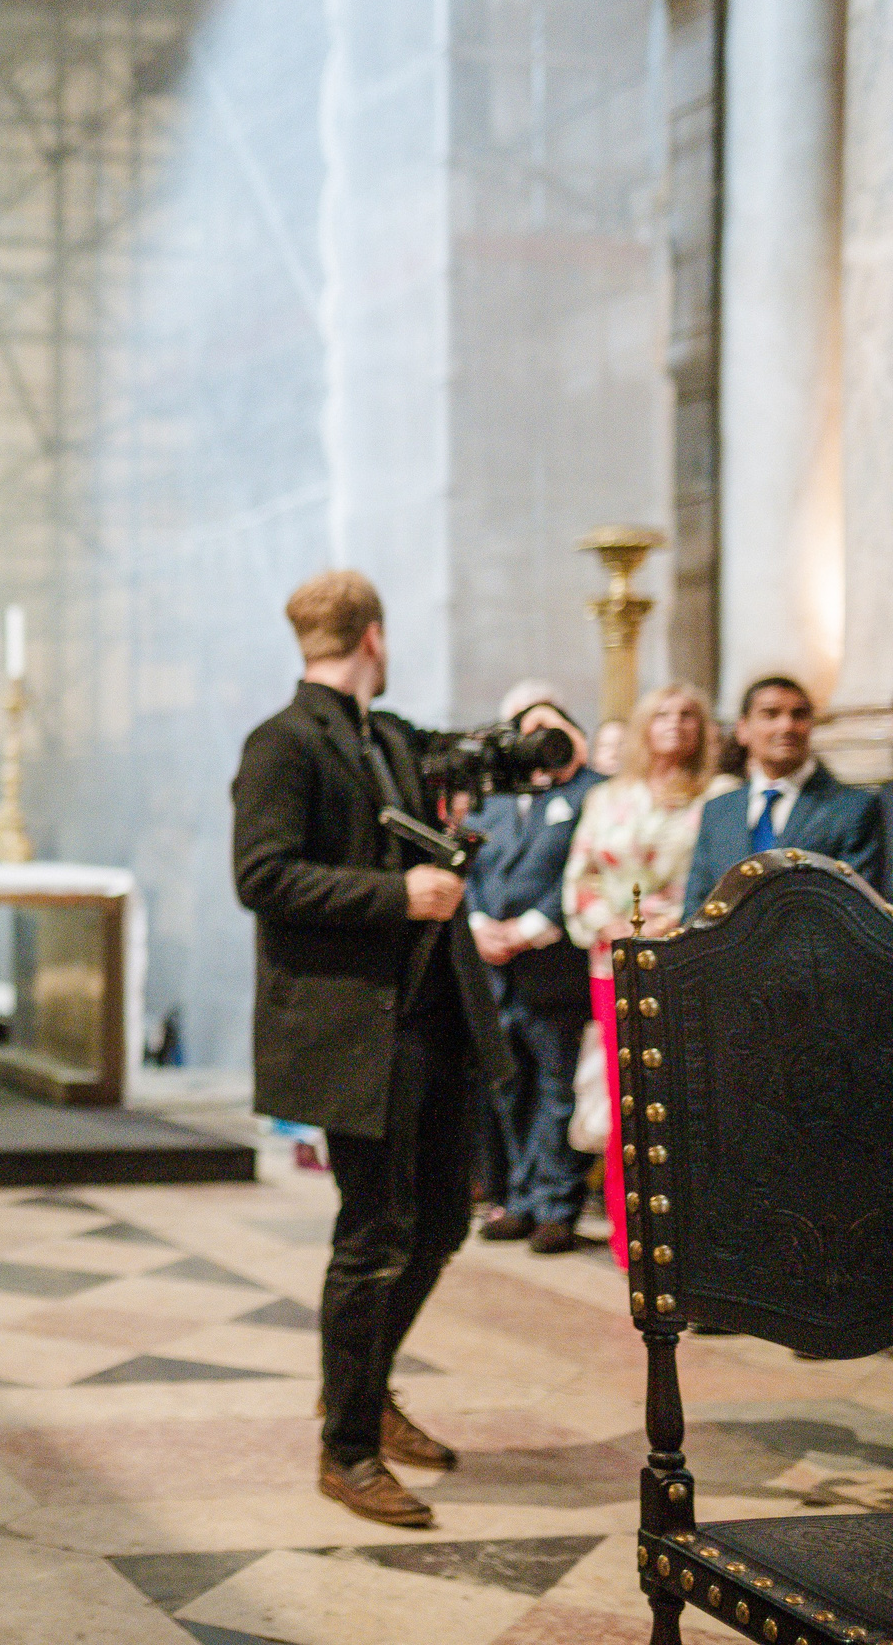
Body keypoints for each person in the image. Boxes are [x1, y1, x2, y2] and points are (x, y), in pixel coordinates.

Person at [231, 569, 509, 1532]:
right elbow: (262, 877)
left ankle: (367, 1388)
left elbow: (472, 758)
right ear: (376, 638)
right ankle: (345, 1447)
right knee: (373, 1231)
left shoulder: (388, 736)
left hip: (433, 1014)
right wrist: (400, 895)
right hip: (358, 1027)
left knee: (440, 1221)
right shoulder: (282, 741)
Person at [563, 682, 725, 1263]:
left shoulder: (722, 795)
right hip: (616, 961)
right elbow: (579, 878)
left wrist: (675, 922)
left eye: (689, 714)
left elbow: (726, 874)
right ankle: (629, 1232)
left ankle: (696, 1236)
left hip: (693, 960)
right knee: (625, 1091)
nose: (676, 724)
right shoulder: (608, 798)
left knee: (693, 1094)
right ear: (642, 726)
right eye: (663, 713)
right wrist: (615, 924)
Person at [462, 686, 600, 1254]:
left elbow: (586, 869)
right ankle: (517, 1198)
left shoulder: (590, 795)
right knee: (508, 1085)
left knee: (556, 1087)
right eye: (525, 730)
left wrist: (525, 930)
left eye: (551, 727)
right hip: (495, 971)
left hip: (552, 965)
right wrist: (475, 922)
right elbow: (467, 864)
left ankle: (555, 1206)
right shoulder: (497, 800)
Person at [684, 675, 887, 909]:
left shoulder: (852, 808)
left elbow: (858, 911)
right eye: (770, 714)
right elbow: (696, 907)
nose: (787, 726)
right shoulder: (718, 811)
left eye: (799, 715)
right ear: (743, 729)